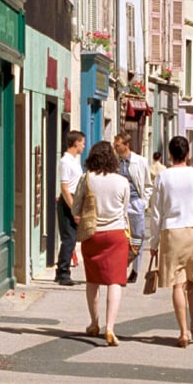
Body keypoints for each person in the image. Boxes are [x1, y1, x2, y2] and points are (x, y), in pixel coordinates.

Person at [148, 136, 193, 348]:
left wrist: (154, 242)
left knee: (178, 284)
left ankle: (183, 332)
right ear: (188, 154)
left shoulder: (163, 178)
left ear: (170, 154)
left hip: (173, 231)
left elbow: (156, 213)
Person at [72, 141, 132, 346]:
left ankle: (94, 322)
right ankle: (110, 327)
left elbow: (76, 207)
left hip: (93, 235)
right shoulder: (122, 181)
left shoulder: (86, 178)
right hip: (116, 235)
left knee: (93, 280)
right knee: (115, 281)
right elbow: (125, 210)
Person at [113, 132, 153, 284]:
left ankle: (135, 269)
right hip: (119, 204)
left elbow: (148, 184)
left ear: (126, 145)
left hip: (136, 202)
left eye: (118, 145)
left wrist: (144, 202)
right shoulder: (115, 162)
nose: (115, 148)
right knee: (121, 237)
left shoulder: (140, 162)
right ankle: (121, 269)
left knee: (137, 237)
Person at [56, 130, 86, 285]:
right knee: (69, 237)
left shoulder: (75, 160)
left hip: (76, 198)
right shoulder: (65, 161)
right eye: (82, 143)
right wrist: (74, 208)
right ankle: (63, 273)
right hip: (69, 200)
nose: (83, 146)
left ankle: (61, 269)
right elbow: (64, 187)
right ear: (76, 143)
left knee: (72, 238)